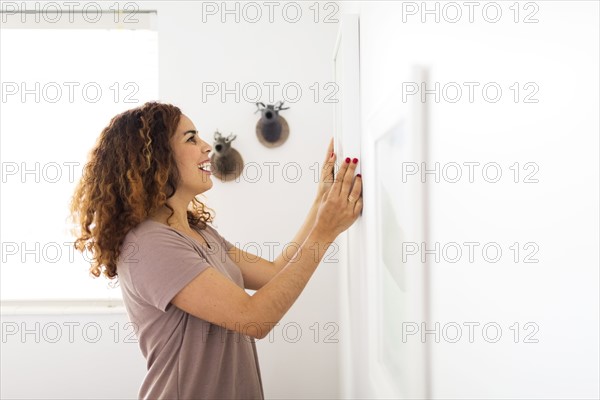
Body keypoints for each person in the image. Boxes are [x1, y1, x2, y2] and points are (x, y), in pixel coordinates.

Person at [69, 101, 363, 399]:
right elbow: (255, 318)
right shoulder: (150, 244)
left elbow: (274, 274)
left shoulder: (197, 232)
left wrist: (320, 204)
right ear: (156, 158)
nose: (206, 146)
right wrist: (325, 233)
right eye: (191, 139)